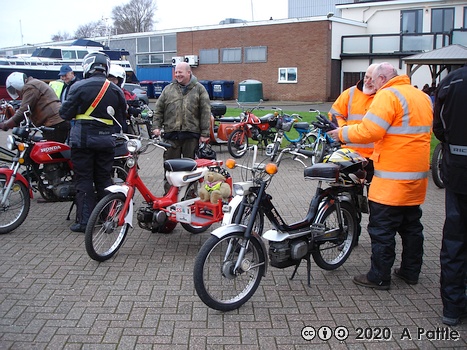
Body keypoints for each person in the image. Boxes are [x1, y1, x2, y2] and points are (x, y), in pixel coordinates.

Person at [327, 62, 433, 290]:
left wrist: (342, 133)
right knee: (411, 226)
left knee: (381, 228)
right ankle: (410, 272)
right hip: (417, 176)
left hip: (392, 178)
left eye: (373, 80)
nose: (371, 85)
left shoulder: (387, 96)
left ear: (383, 78)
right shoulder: (420, 96)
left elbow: (370, 130)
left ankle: (379, 276)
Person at [60, 52, 127, 233]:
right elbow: (122, 120)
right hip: (106, 142)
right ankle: (107, 216)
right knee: (104, 179)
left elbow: (64, 113)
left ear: (88, 66)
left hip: (82, 141)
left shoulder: (79, 86)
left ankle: (85, 222)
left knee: (84, 180)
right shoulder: (115, 89)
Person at [328, 63, 378, 245]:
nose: (369, 81)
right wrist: (343, 129)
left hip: (374, 158)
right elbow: (334, 113)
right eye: (367, 77)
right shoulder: (349, 93)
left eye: (373, 79)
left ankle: (377, 240)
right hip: (351, 157)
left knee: (376, 201)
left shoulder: (383, 96)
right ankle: (350, 237)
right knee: (348, 199)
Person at [433, 65, 467, 326]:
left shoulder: (452, 81)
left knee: (455, 240)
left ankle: (453, 308)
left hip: (458, 171)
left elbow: (439, 127)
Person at [151, 62, 211, 189]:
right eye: (176, 72)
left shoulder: (199, 89)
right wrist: (156, 126)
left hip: (191, 136)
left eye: (180, 72)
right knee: (170, 170)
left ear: (188, 72)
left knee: (191, 170)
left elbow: (205, 112)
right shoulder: (168, 89)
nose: (177, 75)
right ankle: (169, 196)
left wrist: (205, 133)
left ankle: (189, 195)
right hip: (171, 137)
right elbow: (159, 109)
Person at [0, 72, 70, 143]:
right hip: (55, 122)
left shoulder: (30, 87)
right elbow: (29, 109)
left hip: (55, 123)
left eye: (15, 90)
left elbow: (24, 110)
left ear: (17, 85)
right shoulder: (33, 84)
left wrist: (6, 125)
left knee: (50, 152)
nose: (17, 93)